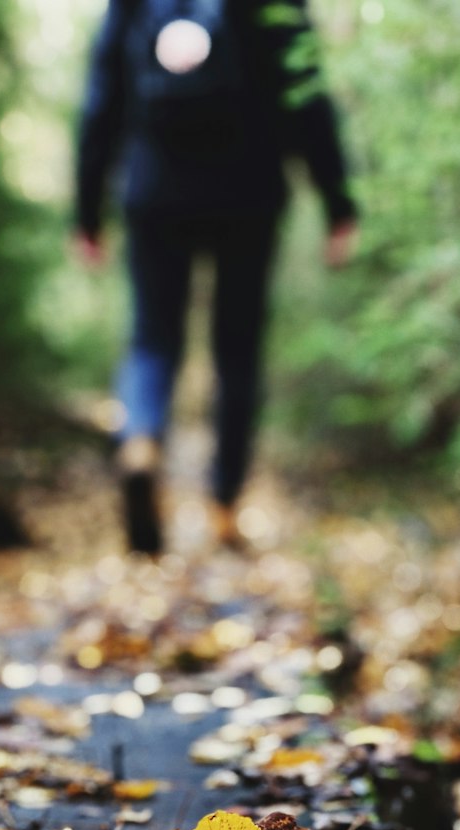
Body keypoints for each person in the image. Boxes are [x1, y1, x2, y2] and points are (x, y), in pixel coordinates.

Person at [76, 0, 358, 554]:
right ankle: (224, 504)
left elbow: (100, 99)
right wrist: (337, 202)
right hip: (248, 190)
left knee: (153, 338)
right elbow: (307, 93)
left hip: (153, 189)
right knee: (238, 349)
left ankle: (139, 440)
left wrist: (88, 212)